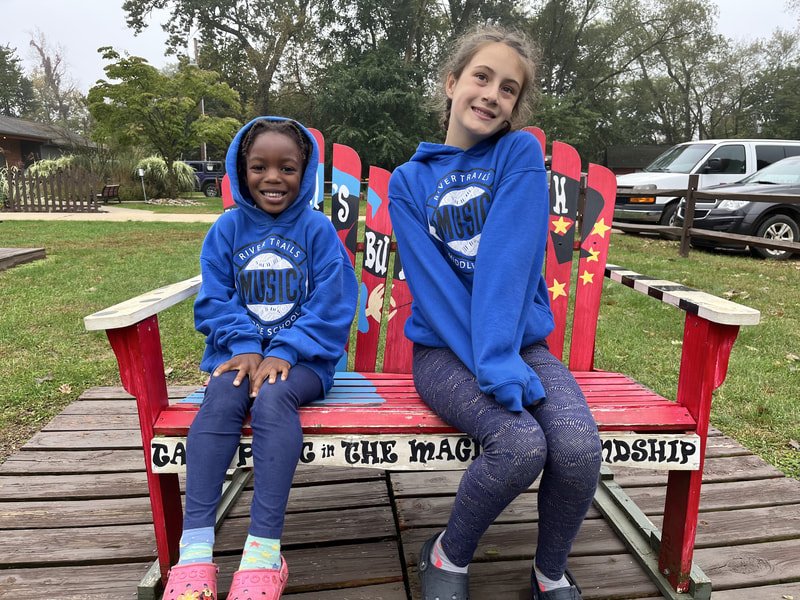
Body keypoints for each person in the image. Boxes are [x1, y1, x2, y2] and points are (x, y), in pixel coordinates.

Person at [387, 27, 602, 600]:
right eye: (481, 77)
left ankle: (550, 572)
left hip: (519, 345)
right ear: (451, 82)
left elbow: (508, 261)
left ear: (515, 105)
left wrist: (504, 357)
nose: (492, 94)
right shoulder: (408, 182)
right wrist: (490, 363)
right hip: (442, 351)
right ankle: (449, 555)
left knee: (578, 448)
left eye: (508, 88)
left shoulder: (518, 153)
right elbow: (434, 290)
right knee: (520, 444)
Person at [163, 116, 358, 600]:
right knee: (220, 398)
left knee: (273, 398)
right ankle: (194, 551)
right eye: (259, 167)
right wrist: (246, 346)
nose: (273, 178)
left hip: (306, 362)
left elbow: (333, 303)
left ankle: (264, 552)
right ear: (241, 170)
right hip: (239, 356)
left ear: (304, 173)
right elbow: (214, 298)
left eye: (287, 168)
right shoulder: (227, 229)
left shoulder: (316, 230)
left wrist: (286, 350)